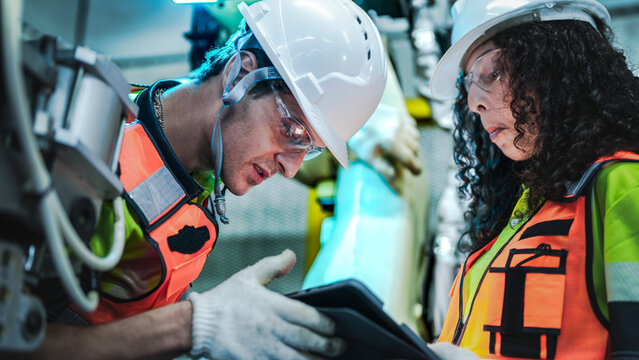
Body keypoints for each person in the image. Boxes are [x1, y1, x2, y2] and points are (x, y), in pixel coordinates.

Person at [21, 0, 391, 359]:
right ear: (238, 75)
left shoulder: (201, 181)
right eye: (292, 131)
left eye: (309, 148)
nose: (292, 168)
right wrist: (194, 325)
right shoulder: (91, 153)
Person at [428, 0, 639, 358]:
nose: (474, 102)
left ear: (556, 62)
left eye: (490, 70)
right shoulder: (518, 215)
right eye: (467, 83)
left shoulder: (622, 184)